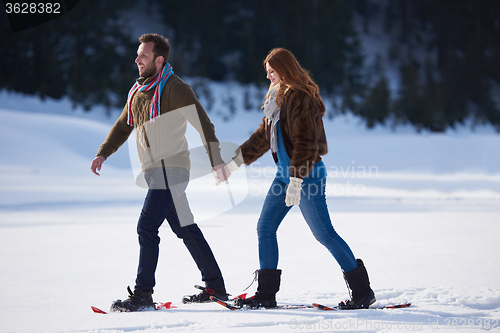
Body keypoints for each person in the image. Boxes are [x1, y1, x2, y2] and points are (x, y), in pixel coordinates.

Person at [219, 48, 376, 309]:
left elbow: (306, 143)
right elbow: (262, 138)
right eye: (266, 72)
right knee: (265, 228)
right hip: (284, 177)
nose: (268, 76)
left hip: (307, 177)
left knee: (324, 234)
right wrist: (233, 163)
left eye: (272, 71)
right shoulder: (276, 99)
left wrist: (296, 180)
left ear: (285, 68)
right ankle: (266, 295)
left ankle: (362, 292)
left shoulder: (302, 98)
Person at [90, 33, 231, 312]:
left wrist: (216, 160)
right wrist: (103, 152)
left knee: (146, 227)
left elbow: (203, 124)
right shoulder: (139, 90)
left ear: (159, 59)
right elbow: (123, 125)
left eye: (143, 55)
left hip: (172, 168)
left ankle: (143, 294)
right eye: (138, 54)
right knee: (185, 229)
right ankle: (216, 285)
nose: (137, 59)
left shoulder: (175, 88)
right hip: (154, 171)